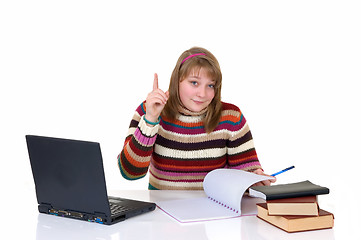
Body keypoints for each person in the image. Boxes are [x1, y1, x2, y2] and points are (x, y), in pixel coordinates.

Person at [117, 47, 276, 190]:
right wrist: (151, 120)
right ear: (176, 81)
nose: (202, 94)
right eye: (194, 82)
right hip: (162, 213)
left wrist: (254, 177)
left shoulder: (231, 116)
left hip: (214, 212)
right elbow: (130, 173)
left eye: (210, 85)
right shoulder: (150, 109)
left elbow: (245, 171)